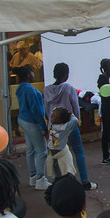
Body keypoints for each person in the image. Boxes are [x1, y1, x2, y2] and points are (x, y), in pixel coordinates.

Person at [44, 62, 97, 191]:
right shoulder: (69, 88)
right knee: (78, 151)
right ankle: (85, 181)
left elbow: (46, 108)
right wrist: (76, 121)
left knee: (57, 153)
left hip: (54, 127)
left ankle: (59, 182)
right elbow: (75, 107)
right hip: (69, 125)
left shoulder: (46, 90)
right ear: (66, 75)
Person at [15, 65, 50, 189]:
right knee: (42, 151)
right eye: (32, 72)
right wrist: (44, 127)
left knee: (30, 150)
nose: (34, 74)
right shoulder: (29, 90)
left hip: (23, 119)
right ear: (28, 75)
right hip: (31, 122)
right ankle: (40, 179)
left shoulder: (21, 88)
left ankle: (33, 177)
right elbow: (36, 110)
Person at [45, 108, 78, 183]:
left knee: (64, 174)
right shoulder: (53, 124)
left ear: (61, 120)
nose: (52, 117)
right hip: (54, 156)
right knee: (57, 174)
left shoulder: (64, 127)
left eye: (55, 116)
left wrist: (71, 113)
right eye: (52, 115)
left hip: (61, 156)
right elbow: (54, 109)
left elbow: (75, 121)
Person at [96, 59, 110, 165]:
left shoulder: (103, 78)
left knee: (106, 132)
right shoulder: (105, 78)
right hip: (108, 107)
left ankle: (106, 156)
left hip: (106, 107)